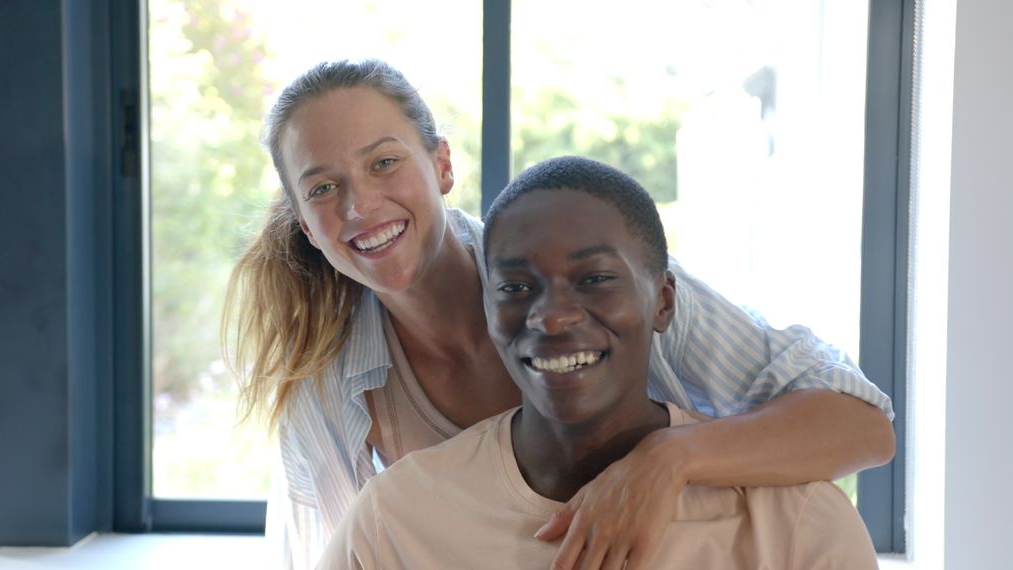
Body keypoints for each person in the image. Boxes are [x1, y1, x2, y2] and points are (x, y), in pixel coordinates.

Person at [224, 59, 894, 568]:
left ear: (443, 164)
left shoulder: (609, 278)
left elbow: (859, 425)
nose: (359, 206)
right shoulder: (330, 392)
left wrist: (667, 461)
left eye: (385, 163)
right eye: (323, 188)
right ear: (306, 225)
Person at [318, 155, 879, 569]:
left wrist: (670, 459)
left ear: (663, 301)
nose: (553, 316)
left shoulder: (797, 525)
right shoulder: (395, 522)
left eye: (595, 279)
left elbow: (867, 425)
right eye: (514, 286)